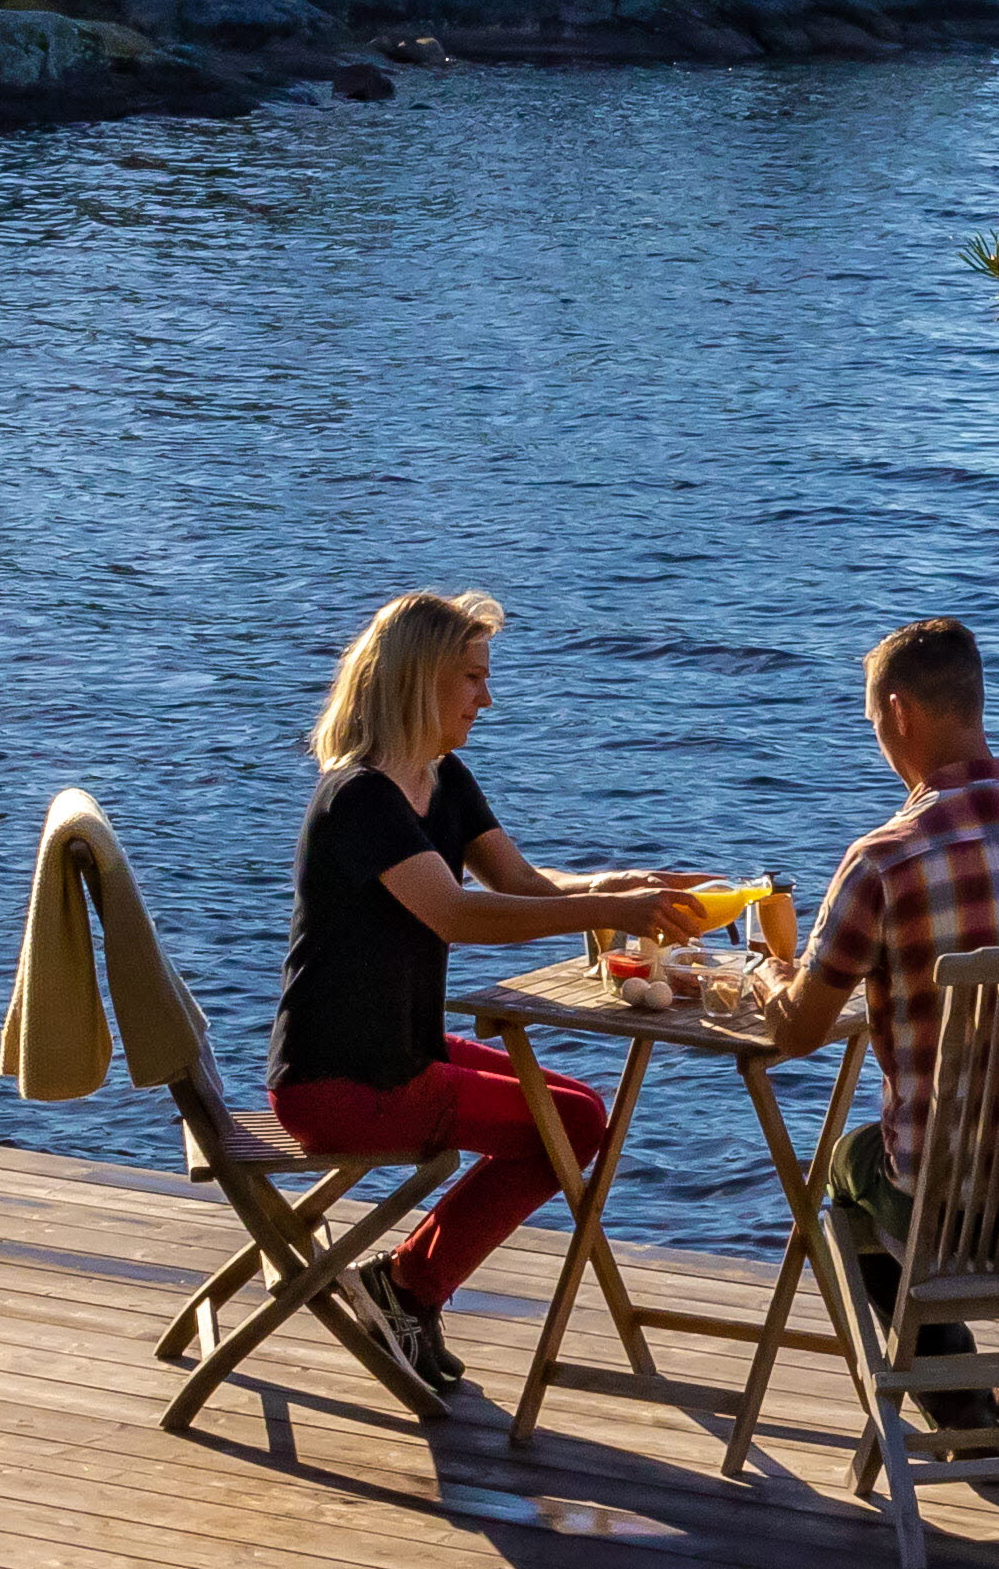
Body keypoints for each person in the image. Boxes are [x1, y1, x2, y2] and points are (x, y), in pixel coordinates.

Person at [267, 590, 703, 1394]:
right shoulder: (359, 797)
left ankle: (405, 1290)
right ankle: (407, 1289)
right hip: (344, 1081)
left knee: (577, 1110)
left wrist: (619, 883)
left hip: (404, 1055)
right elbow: (460, 914)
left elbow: (523, 884)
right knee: (567, 1124)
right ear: (418, 679)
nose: (487, 698)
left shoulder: (443, 779)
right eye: (472, 677)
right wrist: (611, 910)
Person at [748, 616, 999, 1433]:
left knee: (849, 1167)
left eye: (873, 728)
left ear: (897, 714)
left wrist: (771, 976)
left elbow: (799, 1036)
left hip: (955, 1219)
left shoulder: (886, 861)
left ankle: (954, 1397)